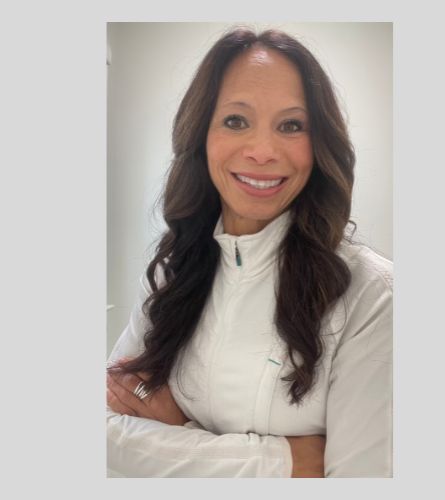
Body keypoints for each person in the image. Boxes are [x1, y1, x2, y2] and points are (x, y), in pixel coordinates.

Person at [106, 27, 392, 478]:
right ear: (202, 134)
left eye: (291, 125)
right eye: (236, 121)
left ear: (319, 144)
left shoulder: (373, 294)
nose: (262, 151)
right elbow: (104, 424)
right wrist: (288, 461)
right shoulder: (170, 273)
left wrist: (175, 429)